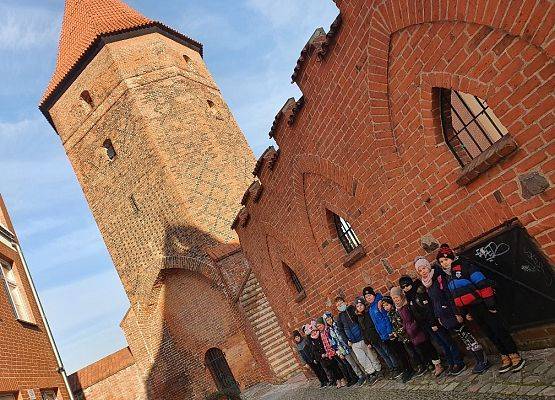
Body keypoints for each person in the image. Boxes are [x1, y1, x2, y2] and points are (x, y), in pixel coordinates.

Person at [437, 244, 525, 373]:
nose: (444, 263)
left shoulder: (466, 266)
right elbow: (455, 296)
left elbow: (482, 284)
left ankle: (514, 354)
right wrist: (465, 312)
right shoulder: (448, 276)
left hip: (482, 305)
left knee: (498, 330)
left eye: (446, 259)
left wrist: (490, 304)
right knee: (489, 333)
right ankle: (504, 355)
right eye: (441, 262)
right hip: (472, 310)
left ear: (452, 257)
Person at [415, 256, 488, 375]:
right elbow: (434, 302)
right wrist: (438, 316)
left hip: (451, 312)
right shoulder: (427, 284)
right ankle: (477, 359)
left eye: (423, 268)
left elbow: (448, 296)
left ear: (428, 267)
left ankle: (482, 359)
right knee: (462, 337)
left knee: (467, 335)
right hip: (443, 315)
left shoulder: (438, 278)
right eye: (420, 270)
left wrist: (456, 313)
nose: (423, 271)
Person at [400, 275, 459, 377]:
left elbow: (428, 309)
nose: (406, 288)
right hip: (425, 325)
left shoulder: (419, 292)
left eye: (407, 285)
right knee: (441, 343)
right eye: (403, 287)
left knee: (447, 341)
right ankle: (451, 362)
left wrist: (433, 323)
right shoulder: (409, 297)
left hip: (433, 322)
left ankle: (458, 361)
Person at [390, 286, 443, 377]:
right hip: (410, 332)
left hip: (417, 329)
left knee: (428, 347)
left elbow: (414, 316)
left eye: (397, 297)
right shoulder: (397, 308)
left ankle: (438, 365)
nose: (396, 299)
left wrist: (413, 327)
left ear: (401, 296)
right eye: (393, 298)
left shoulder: (407, 304)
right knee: (422, 349)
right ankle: (433, 364)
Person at [334, 296, 381, 384]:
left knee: (371, 354)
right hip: (353, 342)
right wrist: (346, 340)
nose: (340, 306)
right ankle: (371, 372)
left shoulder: (352, 309)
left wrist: (365, 335)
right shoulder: (339, 317)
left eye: (341, 303)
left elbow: (360, 320)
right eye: (338, 305)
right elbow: (340, 330)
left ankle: (378, 369)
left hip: (362, 337)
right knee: (362, 359)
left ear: (345, 302)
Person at [363, 286, 401, 376]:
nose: (368, 298)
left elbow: (386, 317)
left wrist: (389, 331)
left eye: (369, 295)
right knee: (390, 352)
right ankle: (395, 368)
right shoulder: (371, 308)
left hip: (388, 332)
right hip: (382, 334)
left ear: (373, 294)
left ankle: (398, 368)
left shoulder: (380, 303)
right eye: (366, 297)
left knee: (392, 352)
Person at [353, 297, 394, 378]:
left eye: (361, 305)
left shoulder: (369, 313)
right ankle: (391, 368)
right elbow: (363, 331)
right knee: (382, 354)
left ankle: (395, 366)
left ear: (364, 305)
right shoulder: (359, 317)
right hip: (372, 340)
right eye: (357, 306)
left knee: (388, 352)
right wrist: (367, 342)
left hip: (378, 336)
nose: (360, 307)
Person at [324, 311, 365, 386]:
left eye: (330, 318)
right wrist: (338, 352)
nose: (329, 321)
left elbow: (345, 332)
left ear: (332, 318)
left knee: (358, 359)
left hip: (348, 345)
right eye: (327, 320)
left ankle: (365, 373)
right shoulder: (329, 331)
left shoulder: (338, 324)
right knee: (352, 364)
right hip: (342, 350)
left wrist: (349, 340)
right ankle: (360, 376)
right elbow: (333, 343)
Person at [380, 295, 415, 383]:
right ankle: (406, 369)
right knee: (399, 354)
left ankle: (410, 368)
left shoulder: (395, 311)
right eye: (384, 306)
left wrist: (396, 332)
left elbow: (401, 323)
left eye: (387, 305)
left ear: (391, 304)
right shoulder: (389, 313)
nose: (385, 307)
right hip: (396, 336)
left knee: (406, 352)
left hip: (402, 335)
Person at [310, 318, 346, 388]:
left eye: (314, 331)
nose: (314, 333)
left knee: (339, 366)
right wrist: (321, 355)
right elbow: (315, 350)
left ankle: (343, 379)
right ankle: (338, 380)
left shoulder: (322, 333)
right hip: (326, 355)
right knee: (332, 368)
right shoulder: (313, 339)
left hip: (331, 351)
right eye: (312, 332)